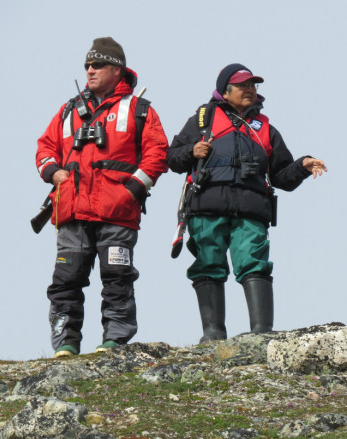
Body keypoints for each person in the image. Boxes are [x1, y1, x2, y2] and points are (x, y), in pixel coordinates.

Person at [167, 63, 327, 343]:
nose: (250, 90)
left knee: (254, 263)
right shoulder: (202, 120)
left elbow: (281, 177)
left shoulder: (265, 129)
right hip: (206, 207)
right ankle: (213, 334)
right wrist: (192, 150)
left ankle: (261, 333)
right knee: (208, 263)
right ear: (225, 91)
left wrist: (302, 164)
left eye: (253, 86)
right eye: (243, 86)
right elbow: (173, 158)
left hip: (251, 212)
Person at [35, 37, 168, 357]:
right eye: (87, 66)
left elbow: (157, 153)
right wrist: (54, 173)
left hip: (117, 212)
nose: (90, 70)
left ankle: (114, 341)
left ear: (116, 69)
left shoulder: (139, 109)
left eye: (97, 65)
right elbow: (44, 147)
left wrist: (131, 191)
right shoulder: (68, 110)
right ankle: (65, 345)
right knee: (65, 281)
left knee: (117, 277)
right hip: (71, 210)